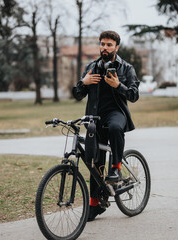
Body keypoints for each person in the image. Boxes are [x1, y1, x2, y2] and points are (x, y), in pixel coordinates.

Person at [73, 30, 140, 221]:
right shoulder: (91, 67)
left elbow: (134, 95)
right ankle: (95, 205)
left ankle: (117, 167)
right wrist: (83, 82)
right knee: (94, 163)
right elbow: (78, 95)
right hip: (94, 118)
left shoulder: (126, 68)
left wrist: (118, 85)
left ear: (116, 47)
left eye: (109, 44)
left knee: (115, 128)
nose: (105, 47)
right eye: (102, 44)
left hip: (116, 114)